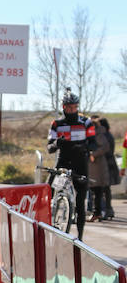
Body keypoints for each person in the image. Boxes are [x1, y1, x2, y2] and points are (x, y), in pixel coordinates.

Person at [47, 89, 96, 240]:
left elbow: (94, 144)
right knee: (48, 191)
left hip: (80, 163)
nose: (71, 109)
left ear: (77, 106)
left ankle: (80, 237)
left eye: (74, 106)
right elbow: (49, 148)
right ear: (63, 107)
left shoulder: (86, 122)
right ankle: (49, 220)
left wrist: (85, 147)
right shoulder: (56, 124)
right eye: (68, 107)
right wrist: (56, 143)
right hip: (63, 161)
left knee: (80, 202)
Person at [88, 116, 111, 222]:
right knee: (95, 192)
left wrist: (94, 154)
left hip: (98, 167)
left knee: (97, 191)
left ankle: (97, 213)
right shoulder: (92, 134)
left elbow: (105, 147)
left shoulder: (98, 134)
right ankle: (97, 213)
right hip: (93, 167)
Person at [99, 117, 119, 220]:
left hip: (106, 164)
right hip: (111, 163)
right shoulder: (109, 135)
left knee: (103, 189)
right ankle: (108, 209)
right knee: (106, 189)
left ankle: (106, 210)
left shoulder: (103, 136)